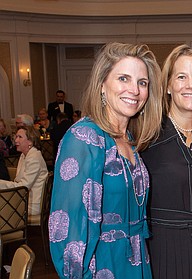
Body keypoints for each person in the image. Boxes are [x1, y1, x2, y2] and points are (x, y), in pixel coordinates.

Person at [49, 42, 163, 278]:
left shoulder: (129, 138)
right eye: (123, 78)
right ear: (102, 85)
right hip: (100, 265)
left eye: (142, 82)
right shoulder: (83, 138)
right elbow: (67, 230)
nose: (134, 89)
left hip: (136, 261)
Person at [142, 45, 192, 279]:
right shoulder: (147, 137)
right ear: (168, 85)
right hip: (162, 252)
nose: (191, 85)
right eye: (181, 77)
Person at [0, 126, 48, 215]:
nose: (16, 140)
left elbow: (24, 187)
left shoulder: (34, 157)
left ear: (30, 141)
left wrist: (1, 184)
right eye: (16, 137)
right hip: (24, 199)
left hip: (32, 204)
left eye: (20, 137)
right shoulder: (24, 155)